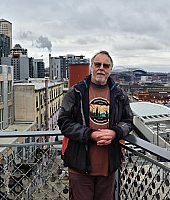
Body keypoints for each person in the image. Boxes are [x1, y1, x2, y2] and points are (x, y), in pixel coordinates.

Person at [58, 50, 134, 200]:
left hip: (108, 167)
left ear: (110, 70)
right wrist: (90, 134)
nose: (101, 68)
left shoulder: (119, 95)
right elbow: (64, 122)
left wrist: (115, 132)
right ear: (91, 67)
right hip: (79, 166)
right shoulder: (76, 92)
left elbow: (128, 121)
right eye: (97, 64)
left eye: (106, 66)